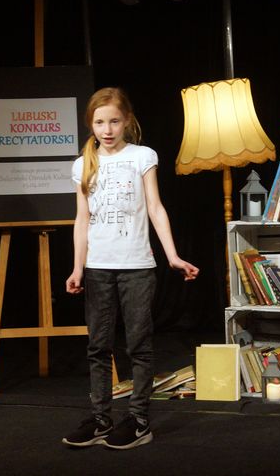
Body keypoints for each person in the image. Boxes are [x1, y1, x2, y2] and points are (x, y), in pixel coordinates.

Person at [61, 87, 199, 450]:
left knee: (138, 345)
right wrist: (77, 268)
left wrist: (172, 255)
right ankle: (100, 419)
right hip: (97, 268)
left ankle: (138, 420)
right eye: (100, 122)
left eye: (114, 121)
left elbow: (155, 207)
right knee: (98, 346)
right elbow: (81, 219)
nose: (107, 129)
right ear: (90, 124)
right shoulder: (82, 164)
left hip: (137, 266)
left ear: (127, 121)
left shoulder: (142, 156)